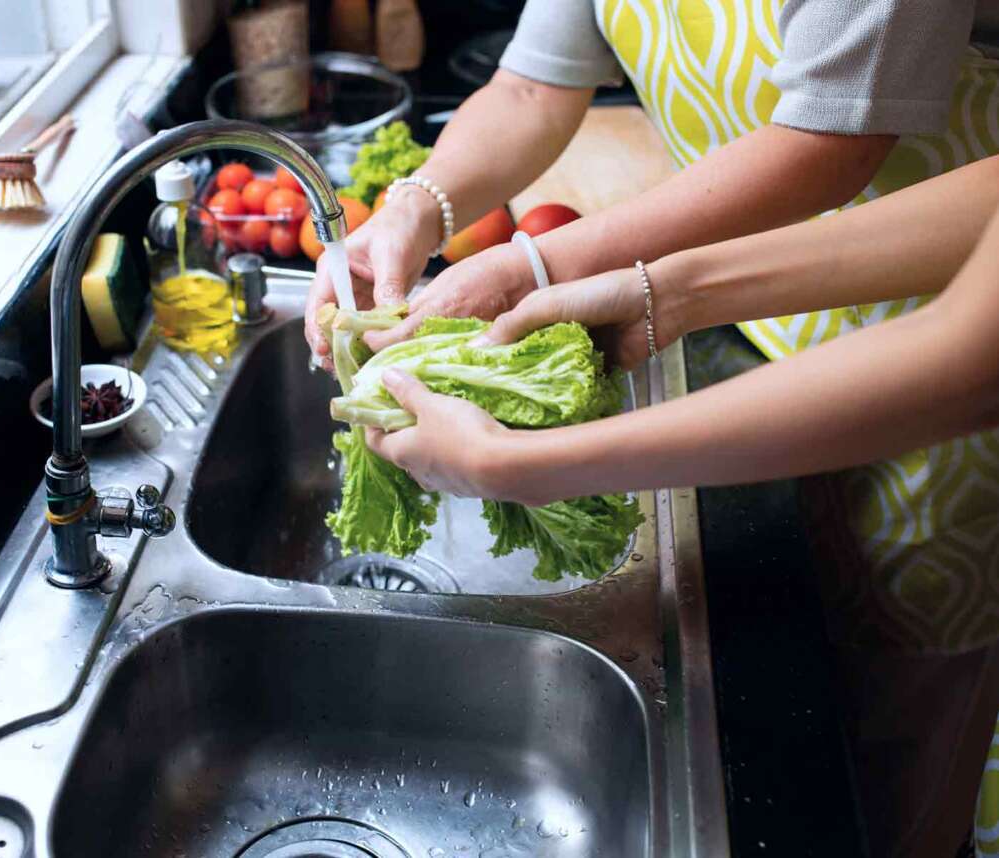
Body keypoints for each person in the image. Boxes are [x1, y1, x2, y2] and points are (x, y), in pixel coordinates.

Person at [307, 3, 999, 855]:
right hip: (772, 318)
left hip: (925, 421)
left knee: (897, 765)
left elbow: (964, 358)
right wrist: (664, 292)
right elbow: (983, 215)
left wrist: (526, 460)